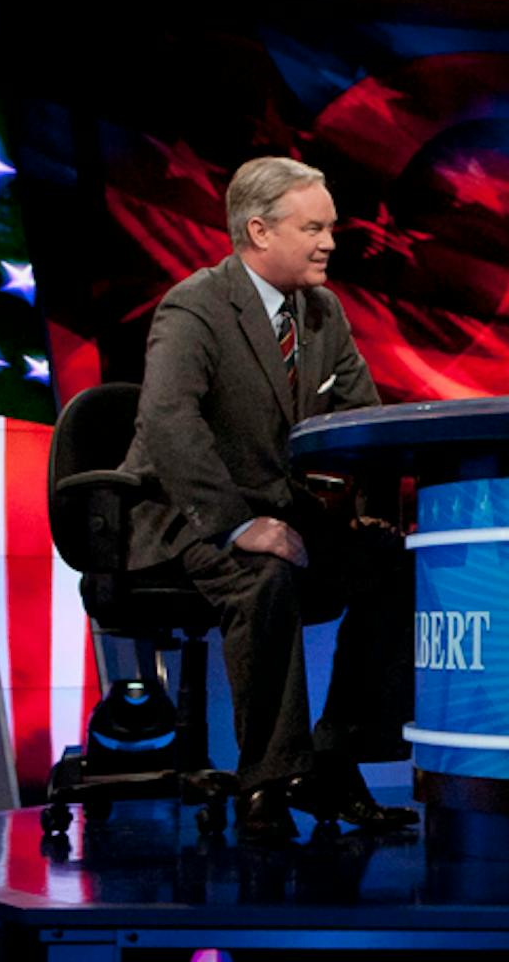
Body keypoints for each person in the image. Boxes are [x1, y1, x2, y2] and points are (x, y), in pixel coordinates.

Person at [121, 157, 416, 845]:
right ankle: (267, 780)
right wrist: (235, 524)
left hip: (278, 509)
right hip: (186, 513)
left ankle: (336, 757)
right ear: (258, 230)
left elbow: (360, 415)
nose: (329, 242)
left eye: (331, 227)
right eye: (312, 227)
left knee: (391, 562)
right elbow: (169, 422)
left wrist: (365, 506)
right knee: (268, 573)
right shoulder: (196, 305)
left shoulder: (321, 311)